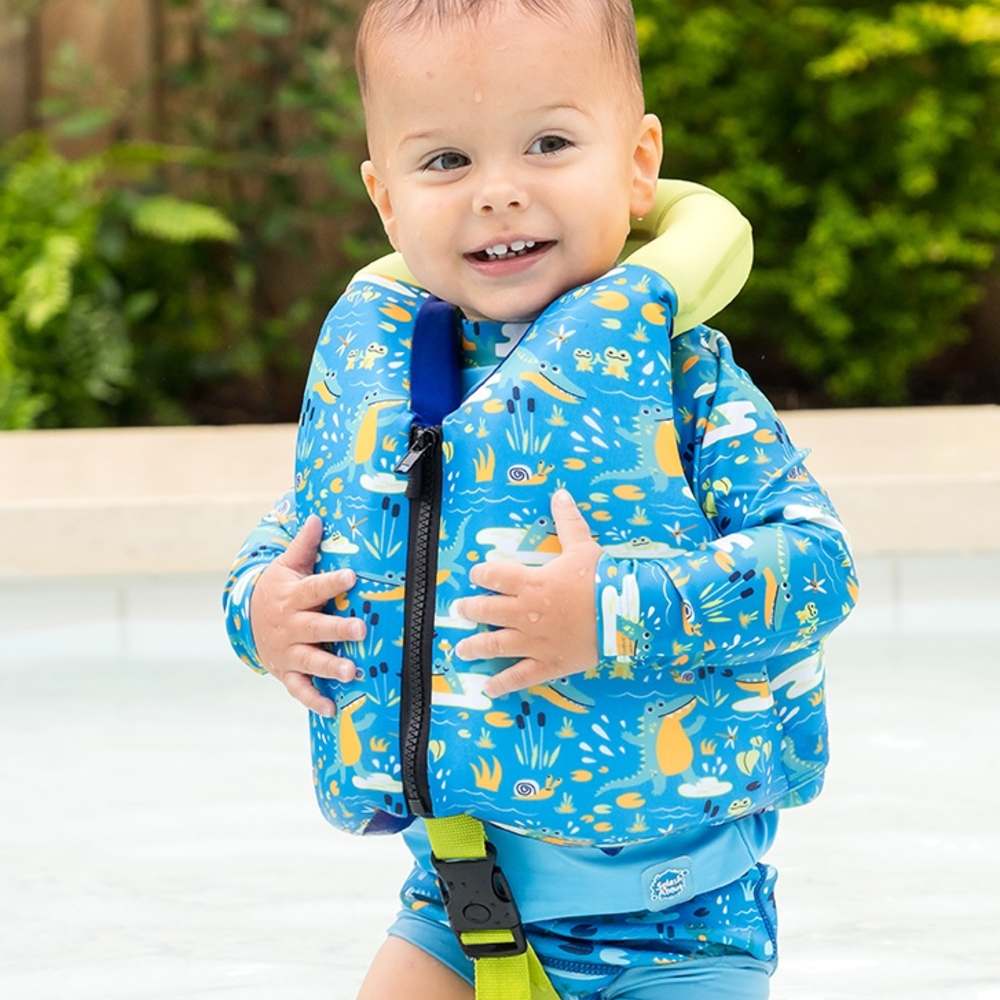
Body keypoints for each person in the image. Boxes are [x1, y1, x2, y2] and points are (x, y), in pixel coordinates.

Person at [221, 2, 860, 998]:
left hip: (678, 927)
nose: (499, 194)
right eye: (444, 163)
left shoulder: (683, 380)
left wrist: (613, 615)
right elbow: (290, 542)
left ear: (638, 164)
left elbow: (818, 567)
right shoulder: (391, 389)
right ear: (385, 199)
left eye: (549, 143)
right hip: (455, 907)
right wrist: (261, 612)